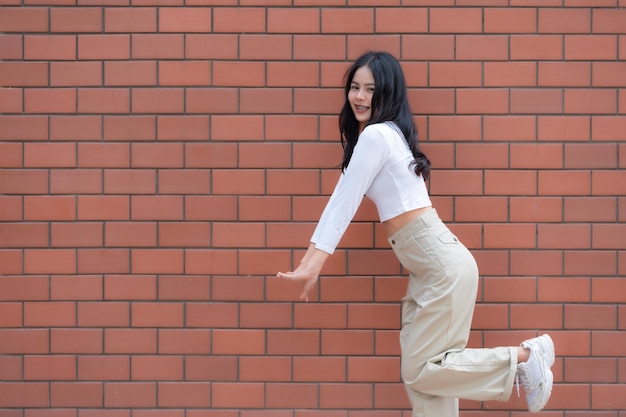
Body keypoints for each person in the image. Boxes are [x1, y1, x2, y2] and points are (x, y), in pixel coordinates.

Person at [276, 51, 555, 416]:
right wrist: (309, 264)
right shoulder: (383, 137)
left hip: (439, 265)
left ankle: (524, 358)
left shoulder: (377, 135)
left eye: (369, 89)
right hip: (429, 267)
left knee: (422, 369)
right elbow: (339, 203)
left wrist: (312, 266)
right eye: (354, 88)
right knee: (426, 383)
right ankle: (521, 361)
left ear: (387, 93)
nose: (359, 97)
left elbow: (341, 206)